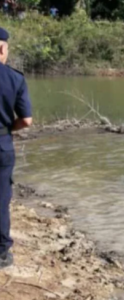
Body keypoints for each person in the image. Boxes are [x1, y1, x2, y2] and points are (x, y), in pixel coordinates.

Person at [0, 27, 32, 268]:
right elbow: (27, 120)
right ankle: (2, 253)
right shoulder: (14, 78)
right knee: (1, 198)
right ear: (2, 49)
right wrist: (8, 128)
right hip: (2, 144)